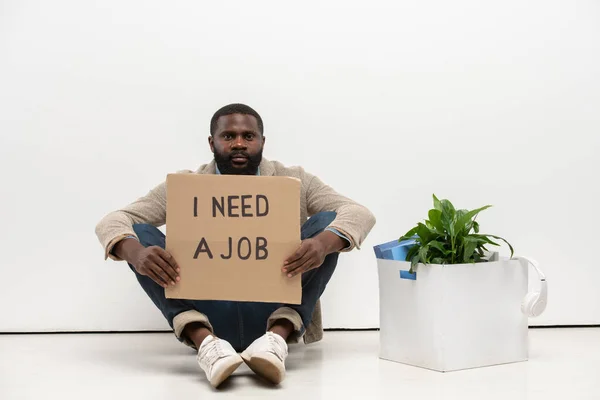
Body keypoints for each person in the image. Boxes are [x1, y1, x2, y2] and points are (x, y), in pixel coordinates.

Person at [95, 103, 376, 388]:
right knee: (139, 233)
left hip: (272, 310)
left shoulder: (295, 180)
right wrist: (137, 254)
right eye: (228, 136)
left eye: (248, 136)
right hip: (210, 315)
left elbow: (359, 213)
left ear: (262, 141)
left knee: (329, 225)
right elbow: (113, 220)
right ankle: (206, 345)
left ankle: (276, 340)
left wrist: (321, 244)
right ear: (212, 142)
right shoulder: (185, 185)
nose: (239, 144)